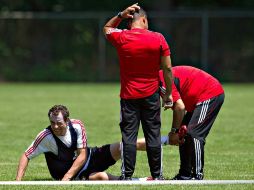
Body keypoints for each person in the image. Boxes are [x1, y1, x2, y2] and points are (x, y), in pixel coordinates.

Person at [16, 104, 184, 181]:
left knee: (124, 146)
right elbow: (26, 155)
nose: (55, 126)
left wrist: (66, 178)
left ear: (67, 121)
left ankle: (167, 140)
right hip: (76, 174)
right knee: (102, 177)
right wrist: (17, 182)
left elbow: (82, 155)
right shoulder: (46, 136)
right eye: (52, 122)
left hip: (89, 157)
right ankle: (142, 181)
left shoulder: (77, 125)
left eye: (59, 122)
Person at [103, 3, 173, 180]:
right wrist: (168, 94)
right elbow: (168, 69)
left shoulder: (122, 37)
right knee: (153, 136)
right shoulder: (158, 38)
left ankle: (127, 176)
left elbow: (107, 28)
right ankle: (157, 176)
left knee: (129, 136)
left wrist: (121, 14)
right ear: (143, 19)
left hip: (128, 97)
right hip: (151, 96)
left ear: (129, 20)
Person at [159, 66, 225, 180]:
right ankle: (185, 174)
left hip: (209, 93)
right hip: (198, 99)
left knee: (194, 134)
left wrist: (174, 132)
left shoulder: (160, 81)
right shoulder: (157, 79)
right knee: (183, 134)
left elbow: (180, 107)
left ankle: (197, 175)